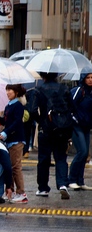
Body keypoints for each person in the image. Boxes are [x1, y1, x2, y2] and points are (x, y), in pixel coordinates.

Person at [29, 72, 74, 200]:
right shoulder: (65, 89)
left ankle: (43, 188)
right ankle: (62, 184)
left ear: (43, 76)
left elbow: (32, 110)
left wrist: (41, 121)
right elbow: (71, 108)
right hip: (61, 129)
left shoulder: (38, 90)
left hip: (46, 129)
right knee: (61, 157)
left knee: (43, 159)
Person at [0, 84, 28, 203]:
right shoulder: (8, 105)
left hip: (16, 140)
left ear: (16, 92)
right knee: (9, 167)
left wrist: (6, 132)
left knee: (15, 167)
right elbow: (6, 122)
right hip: (9, 140)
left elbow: (17, 122)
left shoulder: (18, 105)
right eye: (7, 90)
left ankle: (21, 193)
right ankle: (11, 191)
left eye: (10, 90)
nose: (8, 92)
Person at [69, 68, 92, 190]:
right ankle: (72, 179)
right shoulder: (78, 90)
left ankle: (80, 180)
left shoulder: (91, 92)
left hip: (86, 126)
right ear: (83, 78)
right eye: (88, 77)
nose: (90, 80)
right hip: (76, 125)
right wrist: (74, 119)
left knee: (85, 154)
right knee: (82, 151)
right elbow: (70, 106)